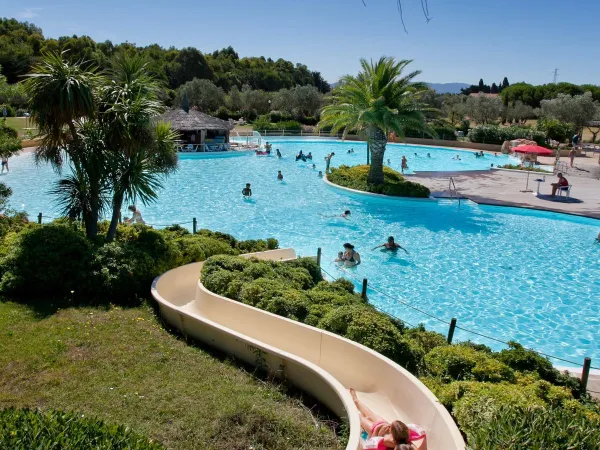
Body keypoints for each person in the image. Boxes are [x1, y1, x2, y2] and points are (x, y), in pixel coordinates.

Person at [349, 388, 415, 450]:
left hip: (375, 431)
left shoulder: (389, 441)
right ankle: (356, 401)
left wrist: (376, 430)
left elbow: (373, 441)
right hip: (382, 425)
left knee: (360, 418)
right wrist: (386, 425)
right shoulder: (407, 442)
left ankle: (353, 408)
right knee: (371, 414)